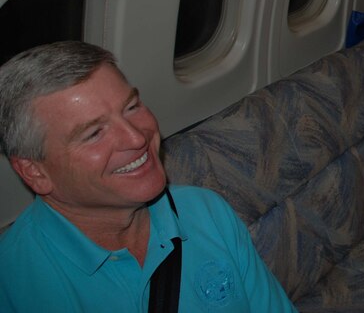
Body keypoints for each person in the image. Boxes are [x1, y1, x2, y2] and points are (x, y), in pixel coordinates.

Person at [0, 41, 297, 312]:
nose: (136, 137)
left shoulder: (206, 211)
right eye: (93, 133)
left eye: (131, 107)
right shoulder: (13, 282)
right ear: (35, 172)